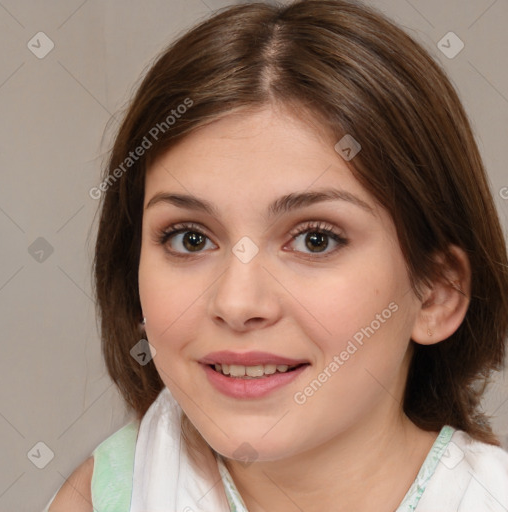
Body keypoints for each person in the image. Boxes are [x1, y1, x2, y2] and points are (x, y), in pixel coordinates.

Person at [45, 0, 508, 510]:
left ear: (436, 294)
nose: (238, 303)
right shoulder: (103, 497)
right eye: (190, 238)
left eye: (315, 239)